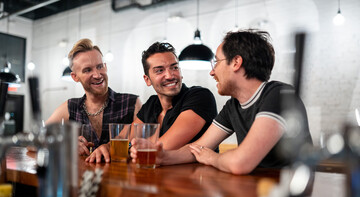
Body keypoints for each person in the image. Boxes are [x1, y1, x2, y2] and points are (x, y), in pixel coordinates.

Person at [130, 30, 312, 175]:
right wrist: (162, 157)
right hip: (258, 191)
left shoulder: (280, 94)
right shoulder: (233, 106)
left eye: (216, 62)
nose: (212, 72)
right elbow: (199, 147)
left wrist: (211, 158)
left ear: (236, 63)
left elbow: (241, 163)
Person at [86, 41, 218, 163]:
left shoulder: (200, 96)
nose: (170, 75)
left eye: (174, 67)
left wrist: (125, 148)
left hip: (199, 182)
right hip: (159, 180)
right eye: (160, 70)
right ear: (147, 79)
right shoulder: (152, 104)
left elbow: (160, 149)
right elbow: (124, 137)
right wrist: (107, 147)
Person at [46, 38, 142, 155]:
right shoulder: (70, 106)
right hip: (84, 173)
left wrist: (124, 146)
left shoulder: (131, 103)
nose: (97, 75)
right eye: (87, 70)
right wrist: (66, 144)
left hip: (121, 173)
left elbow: (145, 143)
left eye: (100, 66)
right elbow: (36, 140)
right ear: (75, 77)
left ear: (105, 67)